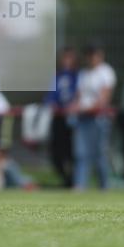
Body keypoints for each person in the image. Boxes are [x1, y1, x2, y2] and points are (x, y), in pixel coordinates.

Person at [70, 43, 116, 191]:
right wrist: (75, 107)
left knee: (99, 154)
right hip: (82, 118)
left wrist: (86, 108)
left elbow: (103, 99)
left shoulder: (106, 72)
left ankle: (104, 186)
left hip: (98, 118)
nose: (91, 58)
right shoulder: (83, 74)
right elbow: (78, 96)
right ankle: (80, 185)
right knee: (81, 153)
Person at [47, 47, 78, 188]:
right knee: (56, 153)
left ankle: (74, 180)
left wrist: (72, 106)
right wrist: (52, 104)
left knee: (72, 152)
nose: (66, 61)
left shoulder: (77, 76)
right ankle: (66, 180)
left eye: (69, 57)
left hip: (73, 119)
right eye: (64, 57)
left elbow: (79, 94)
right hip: (58, 118)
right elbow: (50, 97)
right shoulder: (57, 76)